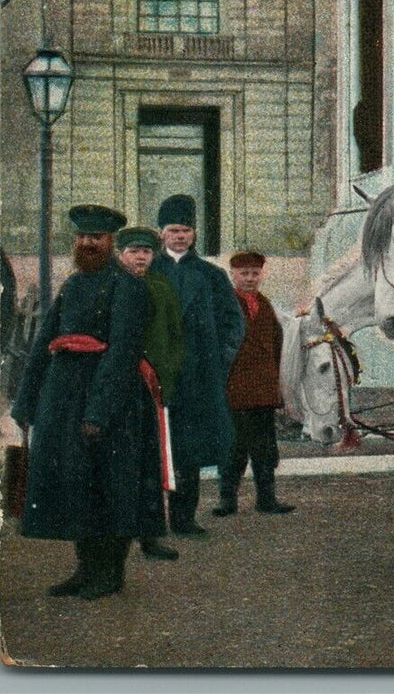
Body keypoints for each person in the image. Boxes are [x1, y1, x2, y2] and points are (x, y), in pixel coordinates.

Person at [10, 205, 159, 599]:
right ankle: (84, 569)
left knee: (113, 486)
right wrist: (25, 404)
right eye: (82, 236)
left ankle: (111, 573)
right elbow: (44, 343)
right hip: (64, 400)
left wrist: (99, 412)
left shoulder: (129, 287)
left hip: (114, 403)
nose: (88, 243)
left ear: (110, 242)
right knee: (77, 484)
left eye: (96, 237)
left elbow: (123, 353)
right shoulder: (72, 286)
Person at [152, 194, 243, 537]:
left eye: (186, 230)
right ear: (161, 233)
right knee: (154, 449)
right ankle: (151, 522)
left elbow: (233, 324)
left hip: (197, 378)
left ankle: (184, 519)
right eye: (174, 230)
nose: (180, 236)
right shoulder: (149, 270)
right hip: (155, 377)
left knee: (187, 452)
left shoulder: (211, 276)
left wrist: (217, 364)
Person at [117, 226, 186, 562]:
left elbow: (175, 336)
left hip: (153, 389)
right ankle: (115, 538)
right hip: (117, 390)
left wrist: (164, 374)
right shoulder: (110, 285)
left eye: (146, 251)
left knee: (152, 465)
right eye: (133, 251)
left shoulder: (161, 287)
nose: (141, 257)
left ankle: (151, 537)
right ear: (120, 254)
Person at [215, 251, 294, 515]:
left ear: (262, 275)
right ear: (233, 275)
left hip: (262, 390)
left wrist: (276, 386)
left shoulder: (266, 305)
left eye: (255, 273)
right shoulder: (223, 304)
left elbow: (277, 346)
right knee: (234, 447)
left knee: (265, 448)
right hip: (233, 390)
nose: (250, 279)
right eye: (244, 273)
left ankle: (267, 499)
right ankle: (228, 500)